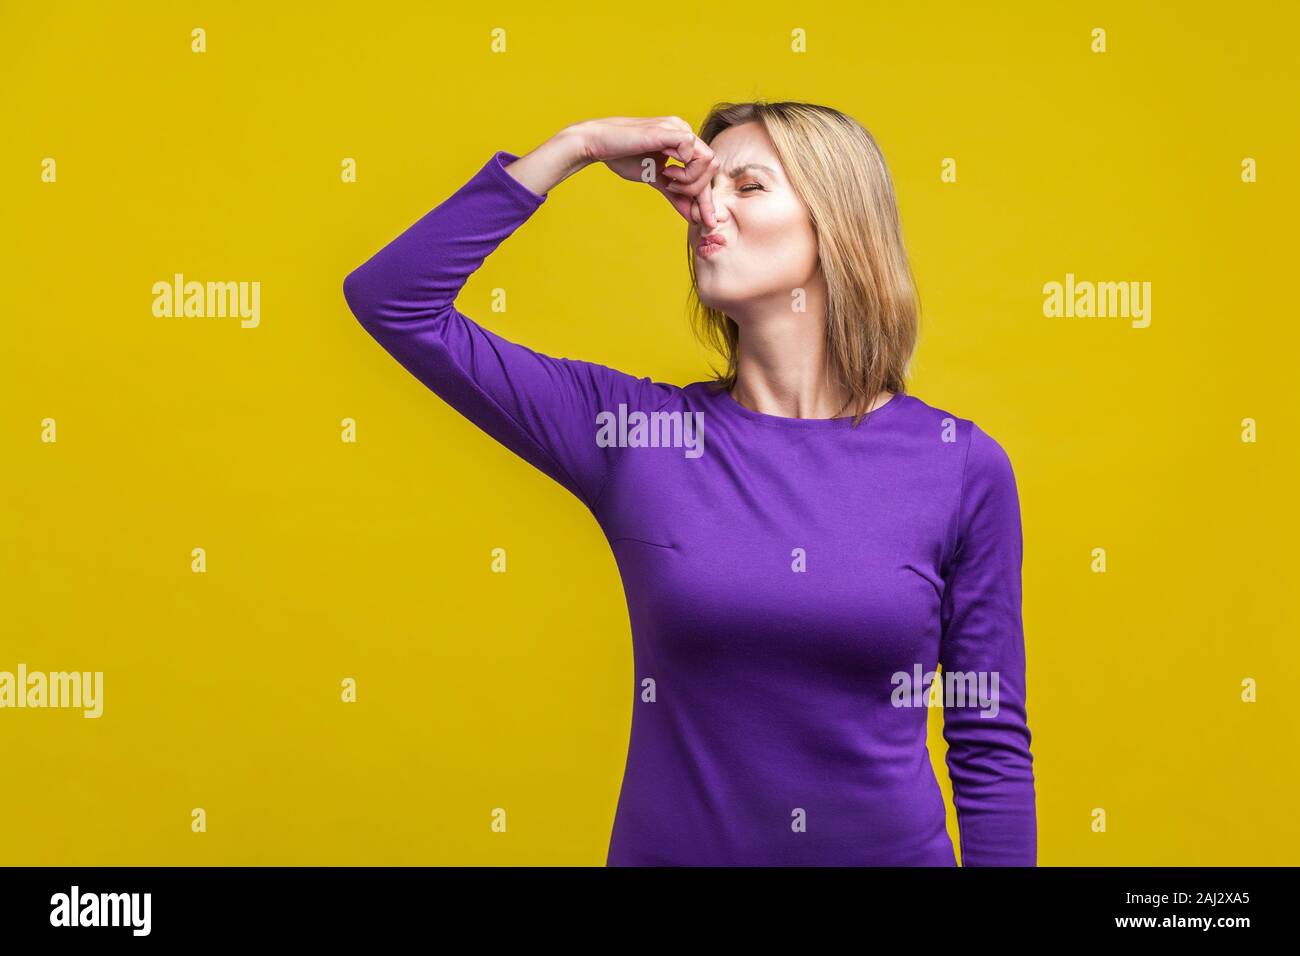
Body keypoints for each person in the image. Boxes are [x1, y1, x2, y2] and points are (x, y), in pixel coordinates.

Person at [343, 101, 1037, 866]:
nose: (709, 207)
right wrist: (576, 147)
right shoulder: (638, 436)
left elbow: (988, 740)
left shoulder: (957, 464)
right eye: (706, 189)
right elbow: (395, 302)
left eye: (749, 186)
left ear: (836, 222)